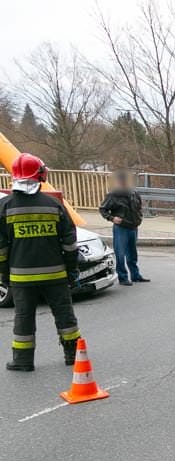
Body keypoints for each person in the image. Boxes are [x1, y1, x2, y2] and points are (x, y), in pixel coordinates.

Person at [0, 153, 81, 371]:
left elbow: (1, 248)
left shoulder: (4, 206)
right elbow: (70, 242)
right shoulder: (53, 204)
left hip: (21, 276)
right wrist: (72, 270)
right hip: (56, 274)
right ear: (41, 175)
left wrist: (4, 274)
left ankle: (23, 360)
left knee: (23, 317)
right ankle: (74, 355)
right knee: (64, 315)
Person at [99, 170, 149, 286]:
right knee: (120, 254)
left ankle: (135, 275)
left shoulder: (134, 193)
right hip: (121, 228)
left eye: (125, 180)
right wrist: (112, 218)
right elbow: (102, 209)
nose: (124, 182)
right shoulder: (113, 195)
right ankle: (123, 277)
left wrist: (139, 217)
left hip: (133, 226)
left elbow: (139, 207)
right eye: (121, 180)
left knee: (132, 253)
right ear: (118, 181)